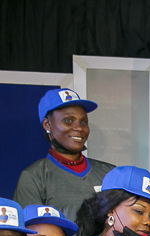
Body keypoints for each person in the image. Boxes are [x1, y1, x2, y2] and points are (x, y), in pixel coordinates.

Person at [14, 89, 115, 228]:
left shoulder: (109, 173)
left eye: (84, 122)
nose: (79, 128)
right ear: (47, 125)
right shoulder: (34, 177)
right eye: (68, 120)